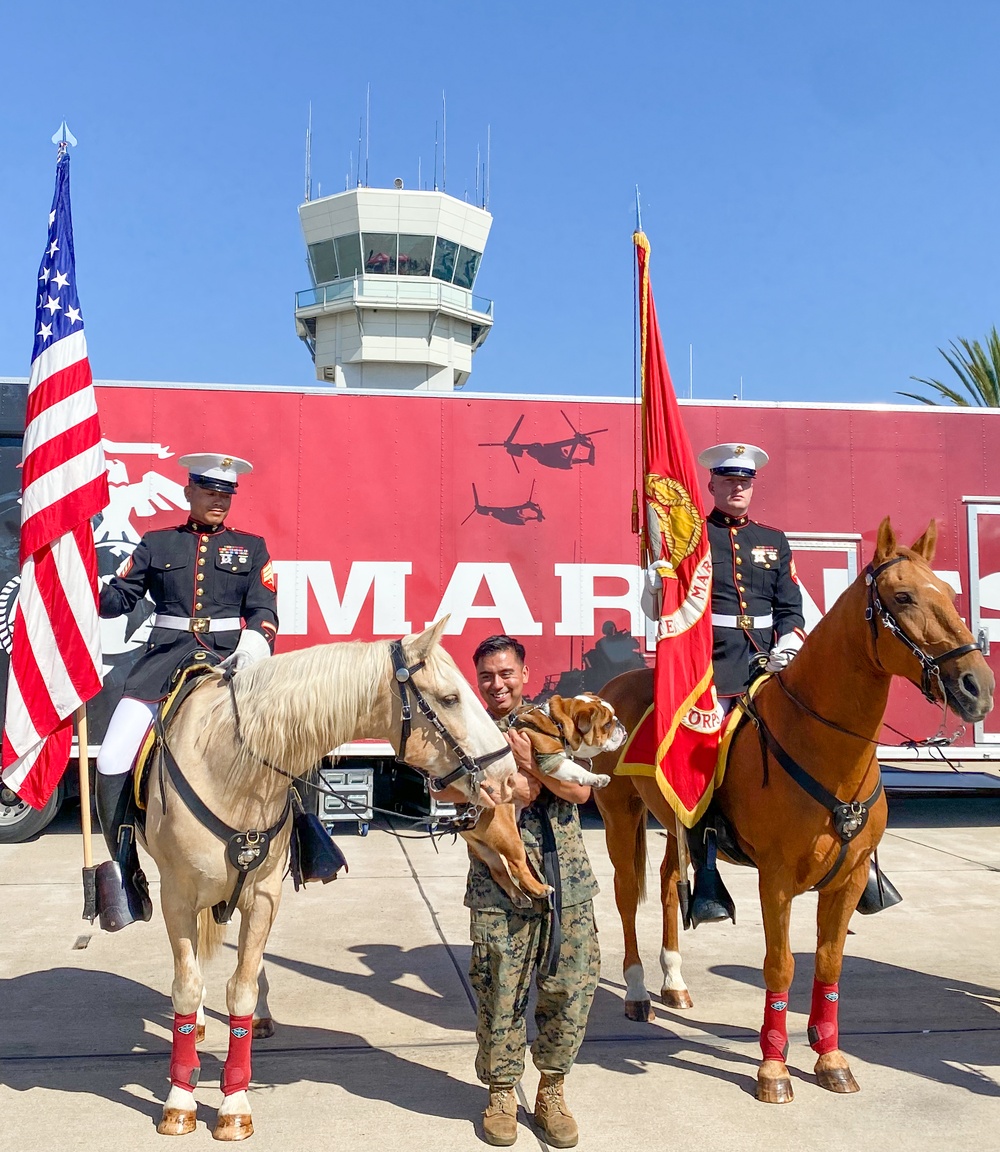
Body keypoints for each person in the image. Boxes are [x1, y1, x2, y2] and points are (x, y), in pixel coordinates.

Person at [94, 452, 279, 928]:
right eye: (210, 491)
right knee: (113, 757)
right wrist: (87, 585)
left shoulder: (252, 547)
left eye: (226, 494)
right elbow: (120, 599)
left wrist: (257, 642)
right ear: (189, 492)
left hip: (230, 660)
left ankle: (305, 846)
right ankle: (127, 870)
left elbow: (263, 607)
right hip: (164, 660)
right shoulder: (157, 544)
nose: (219, 500)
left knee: (283, 745)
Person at [433, 635, 600, 1148]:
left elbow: (580, 790)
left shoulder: (554, 723)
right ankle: (502, 1092)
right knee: (499, 989)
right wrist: (492, 786)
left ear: (524, 673)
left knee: (568, 989)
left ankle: (552, 1092)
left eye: (506, 673)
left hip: (566, 880)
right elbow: (440, 788)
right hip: (497, 886)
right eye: (486, 676)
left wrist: (531, 767)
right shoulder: (466, 731)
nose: (497, 684)